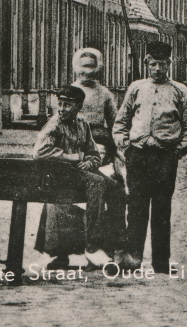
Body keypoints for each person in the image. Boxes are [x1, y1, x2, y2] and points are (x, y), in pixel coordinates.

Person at [113, 41, 187, 274]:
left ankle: (160, 262)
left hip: (164, 158)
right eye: (153, 64)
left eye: (162, 64)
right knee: (137, 209)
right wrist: (126, 147)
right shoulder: (136, 88)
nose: (157, 68)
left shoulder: (180, 91)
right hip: (138, 157)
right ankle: (133, 259)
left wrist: (176, 152)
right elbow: (120, 122)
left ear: (169, 64)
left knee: (162, 210)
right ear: (146, 64)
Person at [33, 84, 125, 270]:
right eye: (60, 104)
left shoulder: (82, 125)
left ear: (78, 107)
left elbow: (93, 153)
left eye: (67, 105)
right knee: (97, 183)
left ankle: (115, 247)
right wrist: (70, 156)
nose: (62, 109)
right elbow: (38, 152)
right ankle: (92, 247)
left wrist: (90, 162)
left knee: (116, 188)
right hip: (60, 175)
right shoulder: (54, 125)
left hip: (79, 173)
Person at [72, 48, 118, 165]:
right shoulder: (70, 90)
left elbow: (114, 121)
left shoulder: (105, 93)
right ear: (77, 67)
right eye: (84, 66)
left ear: (97, 68)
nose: (88, 71)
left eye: (91, 67)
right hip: (74, 138)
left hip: (99, 139)